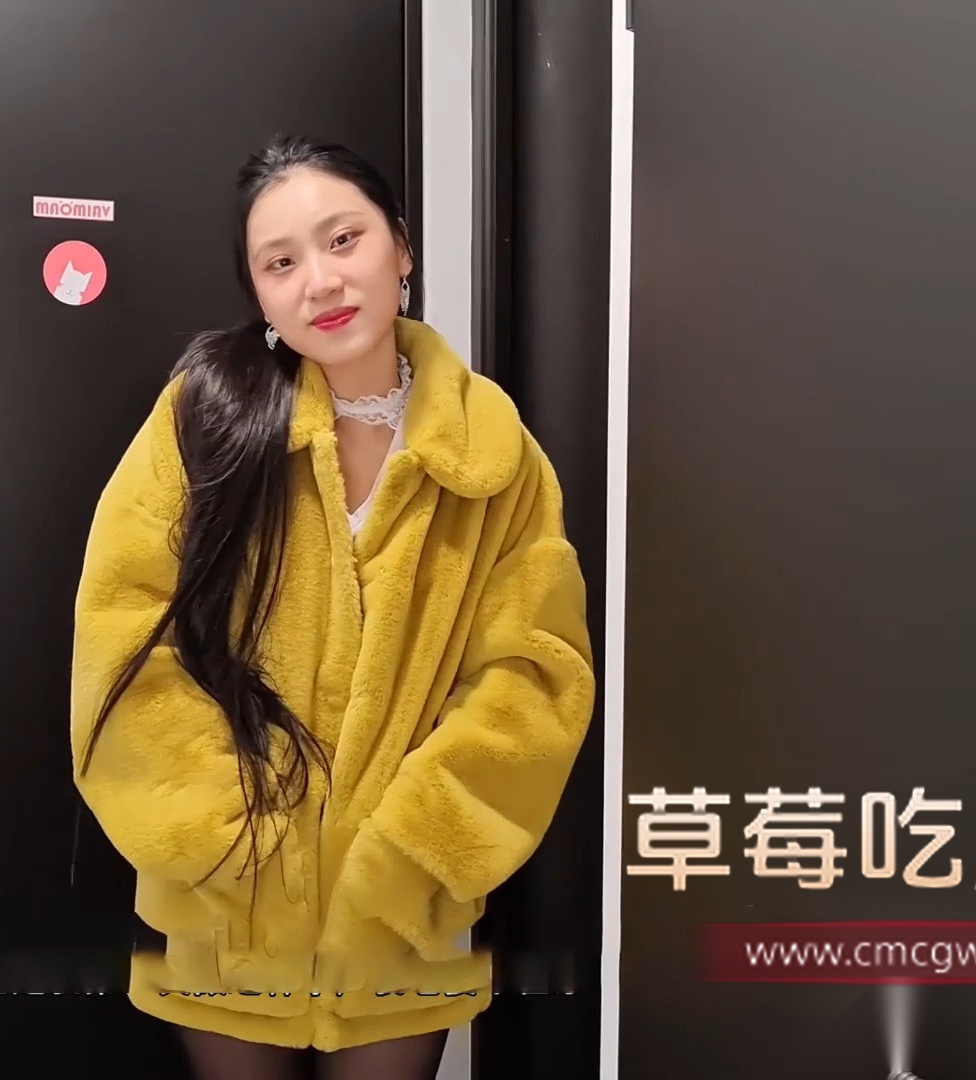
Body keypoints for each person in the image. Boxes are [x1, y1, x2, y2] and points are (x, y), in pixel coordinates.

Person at [70, 135, 596, 1080]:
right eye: (280, 263)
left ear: (402, 247)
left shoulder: (493, 451)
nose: (320, 280)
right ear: (259, 293)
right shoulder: (204, 420)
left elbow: (536, 673)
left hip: (401, 916)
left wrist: (415, 851)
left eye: (343, 239)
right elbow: (122, 636)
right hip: (226, 904)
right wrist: (228, 836)